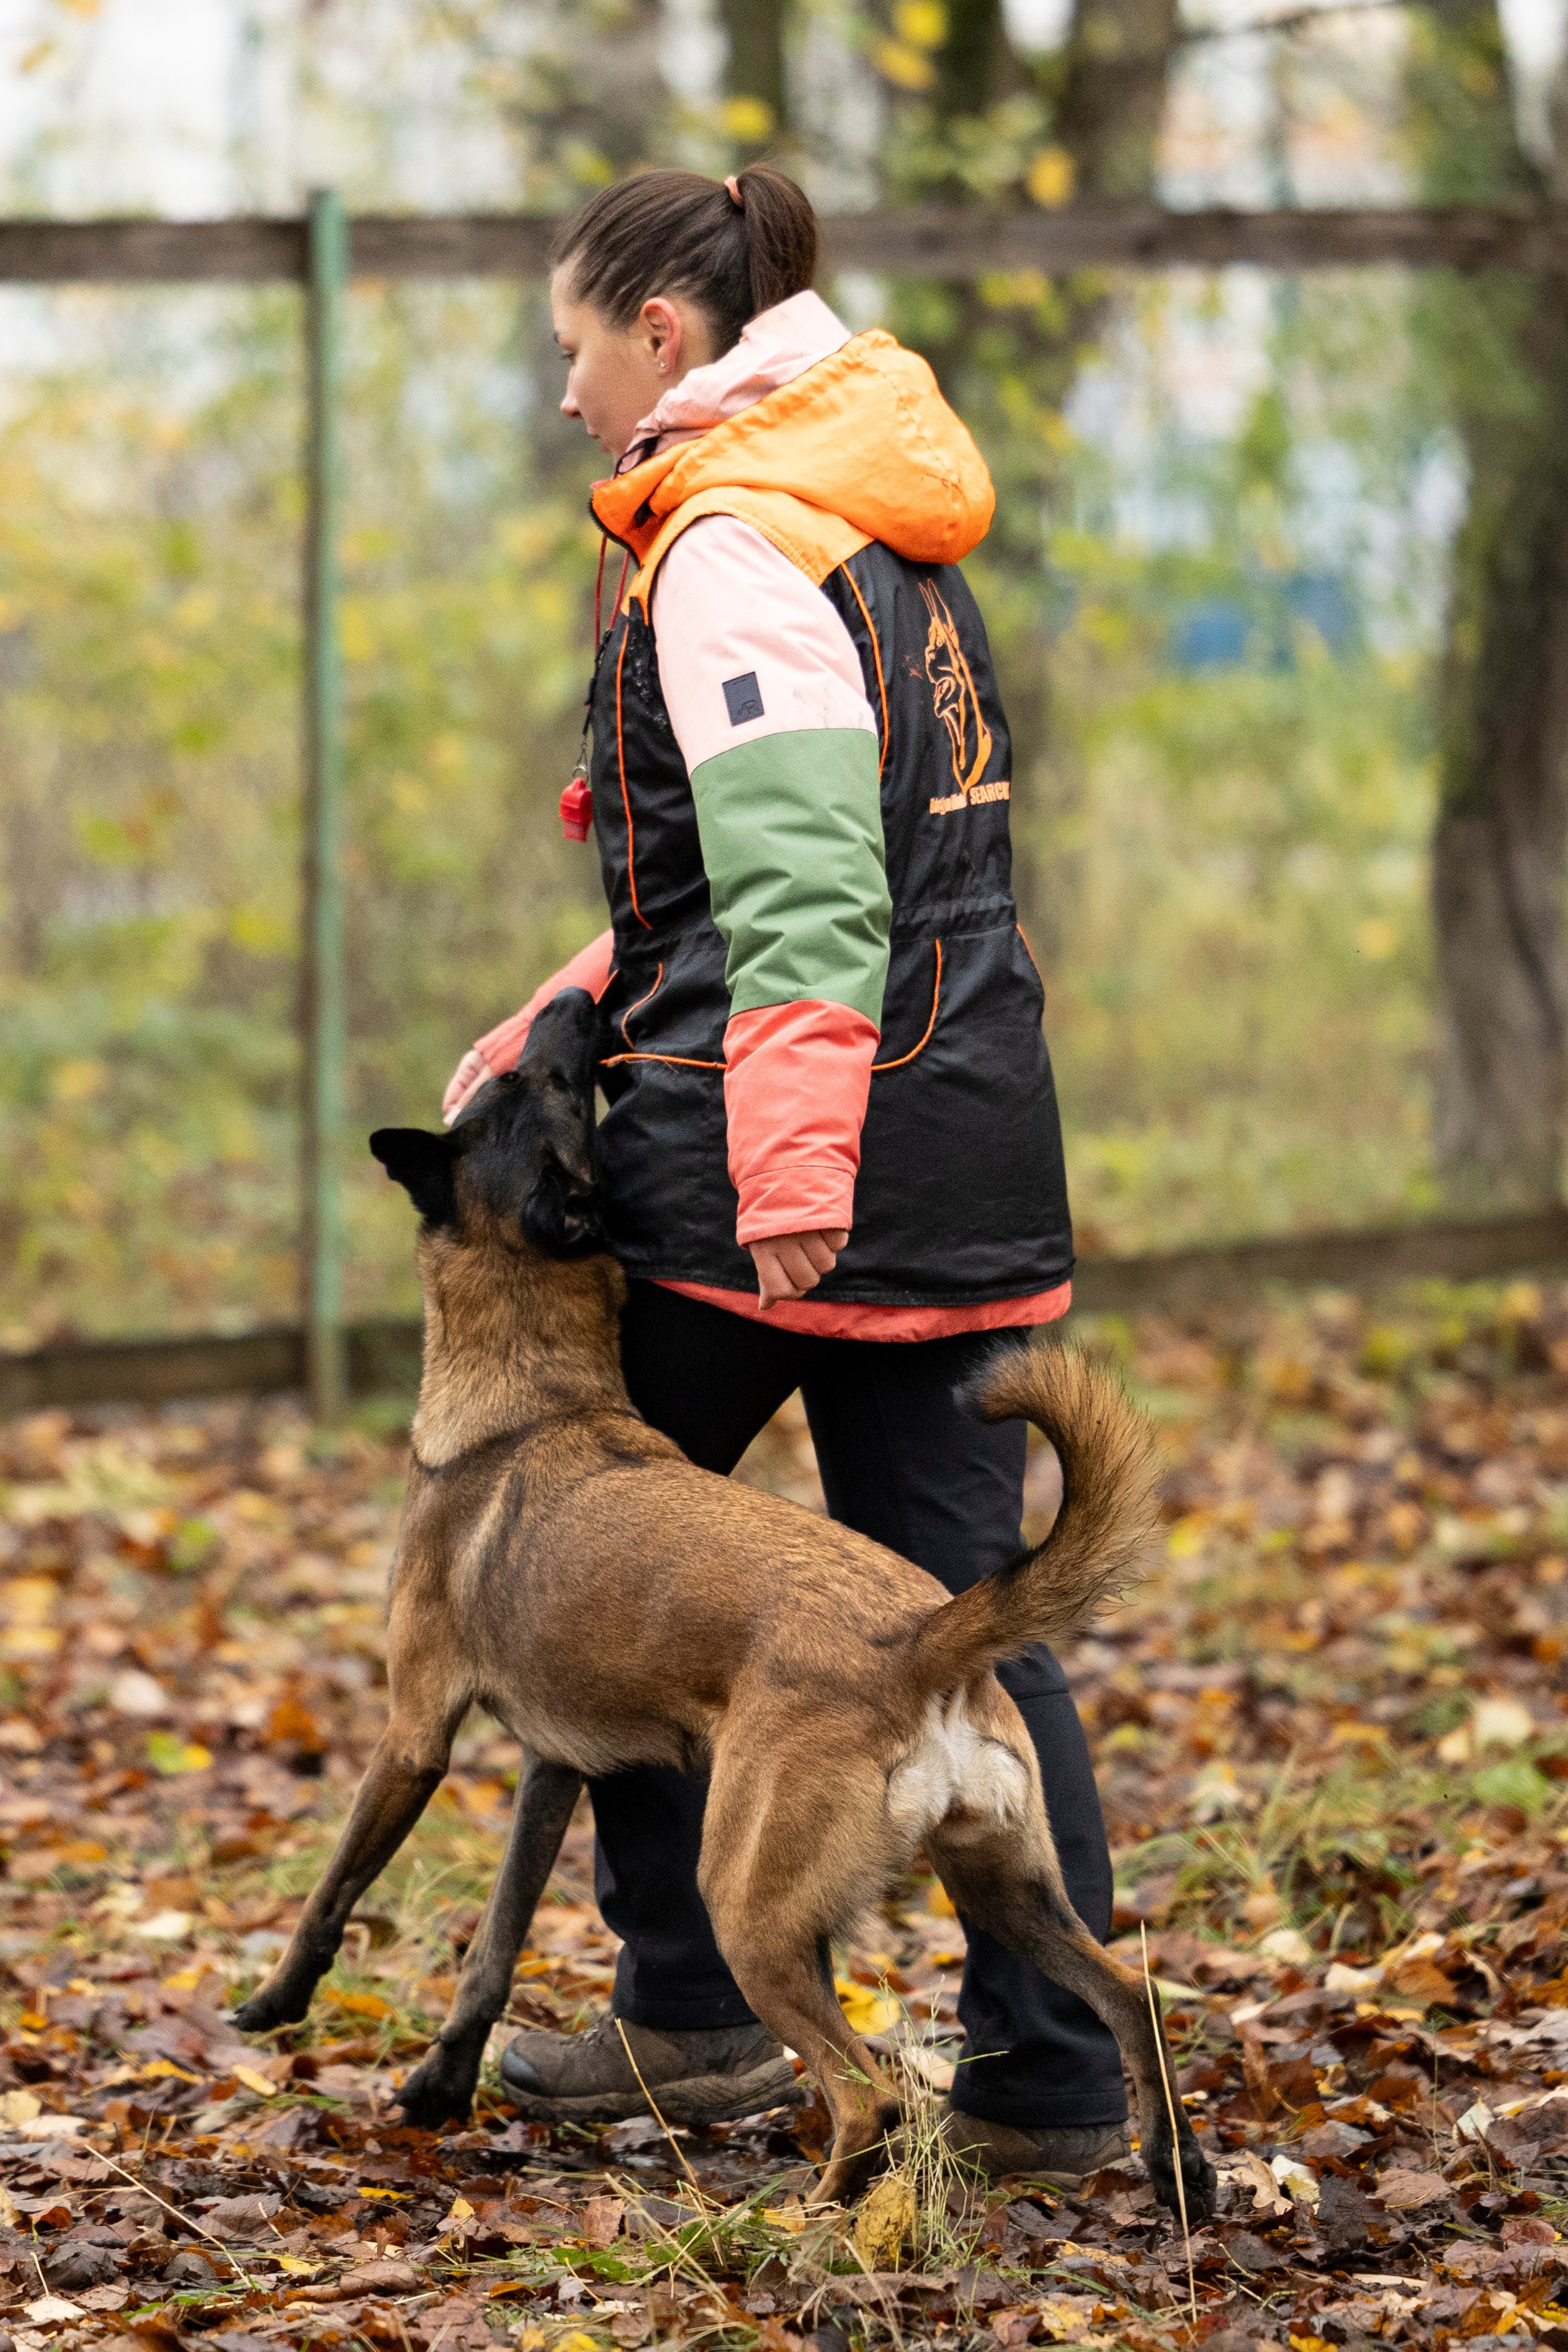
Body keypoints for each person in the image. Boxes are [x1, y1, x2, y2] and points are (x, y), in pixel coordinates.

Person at [441, 163, 1128, 2183]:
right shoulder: (869, 507)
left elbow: (813, 887)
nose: (565, 389)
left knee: (605, 1568)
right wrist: (567, 998)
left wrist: (796, 1160)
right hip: (963, 1138)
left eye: (573, 343)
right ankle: (1053, 2086)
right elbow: (820, 867)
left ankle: (691, 2010)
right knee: (968, 1617)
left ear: (662, 333)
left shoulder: (737, 543)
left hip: (782, 1174)